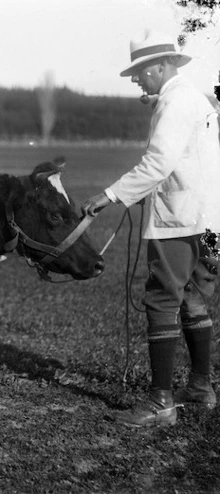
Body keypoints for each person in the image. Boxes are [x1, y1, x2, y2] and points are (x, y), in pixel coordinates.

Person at [82, 29, 220, 427]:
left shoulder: (174, 104)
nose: (136, 81)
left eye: (140, 72)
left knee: (162, 300)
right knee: (193, 297)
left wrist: (109, 195)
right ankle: (199, 386)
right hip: (210, 221)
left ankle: (161, 403)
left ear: (161, 66)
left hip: (181, 221)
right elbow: (187, 162)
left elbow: (158, 164)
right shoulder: (194, 99)